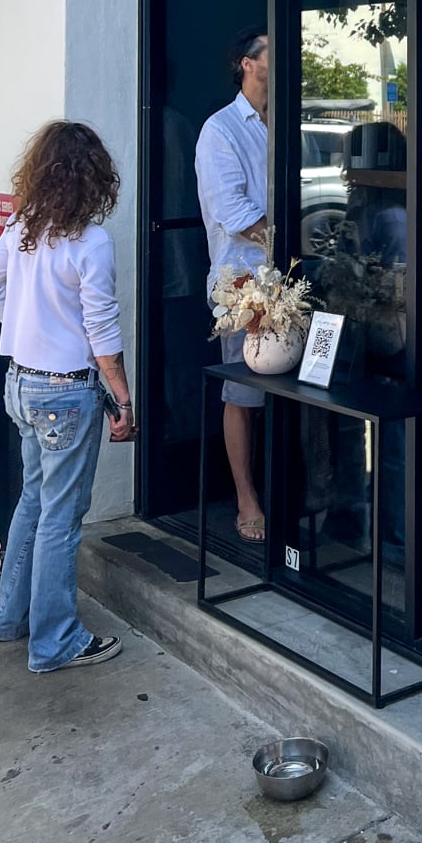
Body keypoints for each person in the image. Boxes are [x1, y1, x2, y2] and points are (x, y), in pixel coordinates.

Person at [0, 121, 133, 672]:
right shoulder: (91, 242)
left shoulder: (23, 226)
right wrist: (124, 400)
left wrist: (25, 326)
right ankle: (55, 641)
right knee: (61, 519)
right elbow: (103, 332)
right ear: (96, 178)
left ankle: (10, 619)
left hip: (20, 383)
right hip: (66, 393)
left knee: (34, 504)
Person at [195, 28, 270, 543]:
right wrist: (294, 230)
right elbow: (234, 212)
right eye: (273, 53)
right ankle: (246, 497)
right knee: (243, 391)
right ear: (247, 63)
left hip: (291, 276)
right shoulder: (220, 130)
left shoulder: (286, 119)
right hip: (244, 282)